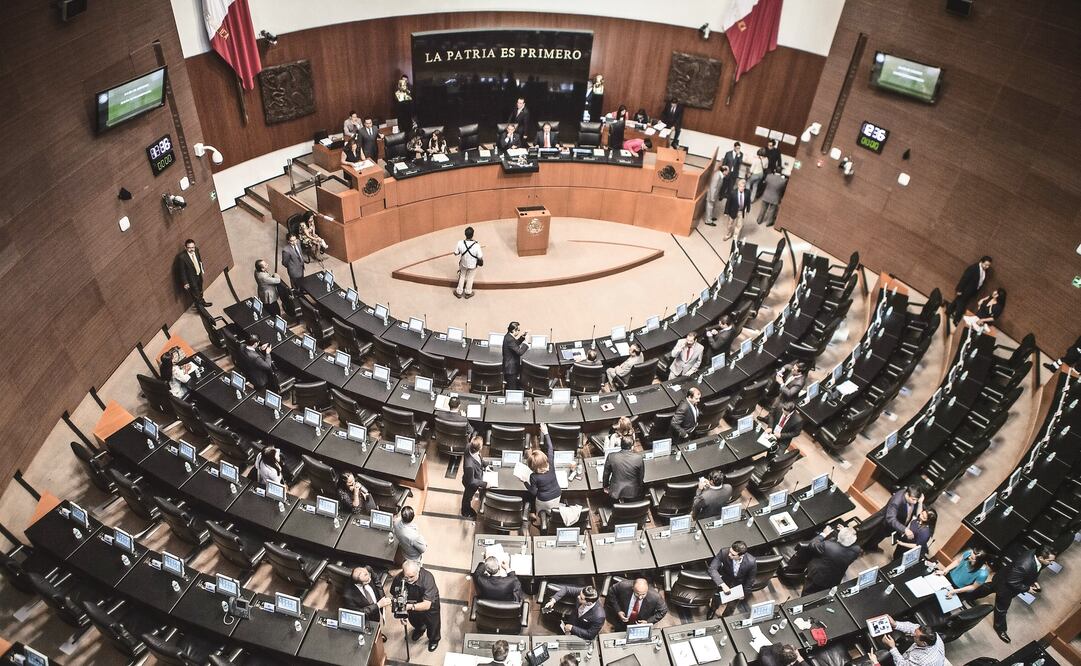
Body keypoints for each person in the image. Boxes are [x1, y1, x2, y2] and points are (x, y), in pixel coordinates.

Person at [968, 545, 1055, 643]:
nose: (1051, 563)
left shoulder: (1035, 552)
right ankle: (1000, 629)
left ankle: (969, 596)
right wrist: (1027, 588)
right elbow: (1012, 582)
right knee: (1001, 609)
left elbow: (1032, 570)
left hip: (1003, 576)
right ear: (1040, 558)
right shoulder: (1024, 565)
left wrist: (1033, 581)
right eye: (1050, 561)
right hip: (1006, 588)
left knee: (989, 587)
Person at [389, 560, 440, 651]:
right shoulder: (399, 578)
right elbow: (395, 595)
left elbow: (427, 604)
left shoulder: (427, 578)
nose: (408, 579)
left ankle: (433, 639)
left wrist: (410, 607)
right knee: (414, 620)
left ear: (418, 571)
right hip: (409, 602)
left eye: (411, 576)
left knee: (433, 624)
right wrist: (401, 613)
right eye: (406, 576)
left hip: (429, 605)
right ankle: (420, 629)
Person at [801, 525, 861, 595]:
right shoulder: (856, 550)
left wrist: (824, 534)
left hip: (817, 577)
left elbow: (812, 544)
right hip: (834, 579)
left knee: (807, 594)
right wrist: (844, 533)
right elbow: (843, 544)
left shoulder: (827, 546)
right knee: (823, 594)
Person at [707, 541, 756, 617]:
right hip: (725, 580)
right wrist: (722, 584)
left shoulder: (751, 562)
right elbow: (712, 569)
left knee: (731, 606)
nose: (729, 555)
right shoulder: (724, 552)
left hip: (738, 586)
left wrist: (744, 593)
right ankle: (713, 609)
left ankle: (725, 618)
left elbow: (750, 579)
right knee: (716, 598)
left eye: (733, 555)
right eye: (730, 551)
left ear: (741, 556)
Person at [870, 485, 924, 551]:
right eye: (913, 499)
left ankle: (873, 545)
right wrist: (904, 529)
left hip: (898, 522)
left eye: (917, 500)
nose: (915, 502)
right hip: (886, 523)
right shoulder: (896, 501)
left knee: (881, 536)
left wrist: (920, 502)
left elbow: (919, 514)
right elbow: (890, 518)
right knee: (876, 535)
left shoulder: (913, 497)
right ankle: (867, 547)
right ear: (907, 494)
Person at [877, 618, 944, 666]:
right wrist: (895, 624)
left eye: (915, 636)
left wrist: (892, 647)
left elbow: (901, 664)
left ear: (924, 643)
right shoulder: (932, 635)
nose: (912, 634)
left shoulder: (921, 660)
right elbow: (913, 627)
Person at [528, 424, 562, 513]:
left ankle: (539, 518)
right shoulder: (550, 463)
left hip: (544, 500)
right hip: (557, 494)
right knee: (553, 511)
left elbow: (534, 492)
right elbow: (550, 447)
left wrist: (524, 482)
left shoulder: (534, 476)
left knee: (541, 512)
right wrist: (546, 432)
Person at [949, 256, 992, 325]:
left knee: (958, 300)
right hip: (965, 290)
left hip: (972, 291)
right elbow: (964, 279)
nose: (987, 267)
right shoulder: (973, 268)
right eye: (986, 264)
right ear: (981, 262)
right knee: (961, 305)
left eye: (988, 265)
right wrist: (959, 290)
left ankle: (949, 311)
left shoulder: (985, 270)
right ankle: (956, 320)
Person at [603, 436, 645, 502]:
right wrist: (639, 487)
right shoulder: (638, 458)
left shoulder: (611, 456)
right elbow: (641, 476)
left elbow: (606, 474)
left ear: (621, 445)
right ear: (632, 446)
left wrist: (605, 486)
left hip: (615, 491)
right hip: (633, 491)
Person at [177, 239, 212, 307]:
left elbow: (199, 260)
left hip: (198, 274)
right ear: (185, 247)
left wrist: (202, 269)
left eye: (192, 247)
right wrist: (185, 282)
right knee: (196, 292)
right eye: (189, 248)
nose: (191, 249)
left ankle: (200, 301)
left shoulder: (196, 250)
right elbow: (182, 271)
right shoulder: (182, 257)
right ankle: (201, 305)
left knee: (200, 289)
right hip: (191, 278)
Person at [461, 434, 487, 518]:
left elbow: (478, 457)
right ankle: (465, 511)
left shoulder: (469, 446)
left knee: (468, 497)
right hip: (470, 484)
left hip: (475, 476)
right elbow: (471, 481)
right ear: (479, 448)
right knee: (467, 498)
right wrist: (484, 484)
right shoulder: (469, 466)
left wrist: (484, 464)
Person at [453, 226, 483, 299]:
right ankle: (468, 293)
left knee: (462, 276)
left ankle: (459, 292)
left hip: (463, 264)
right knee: (470, 278)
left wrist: (457, 252)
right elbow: (480, 257)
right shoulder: (477, 245)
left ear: (465, 234)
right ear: (473, 234)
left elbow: (456, 253)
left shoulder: (460, 243)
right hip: (473, 265)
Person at [502, 321, 529, 390]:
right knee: (512, 389)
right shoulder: (509, 339)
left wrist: (523, 337)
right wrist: (526, 343)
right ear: (514, 330)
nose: (519, 332)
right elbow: (520, 352)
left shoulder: (508, 336)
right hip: (511, 369)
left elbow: (515, 344)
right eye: (518, 330)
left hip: (510, 367)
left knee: (512, 386)